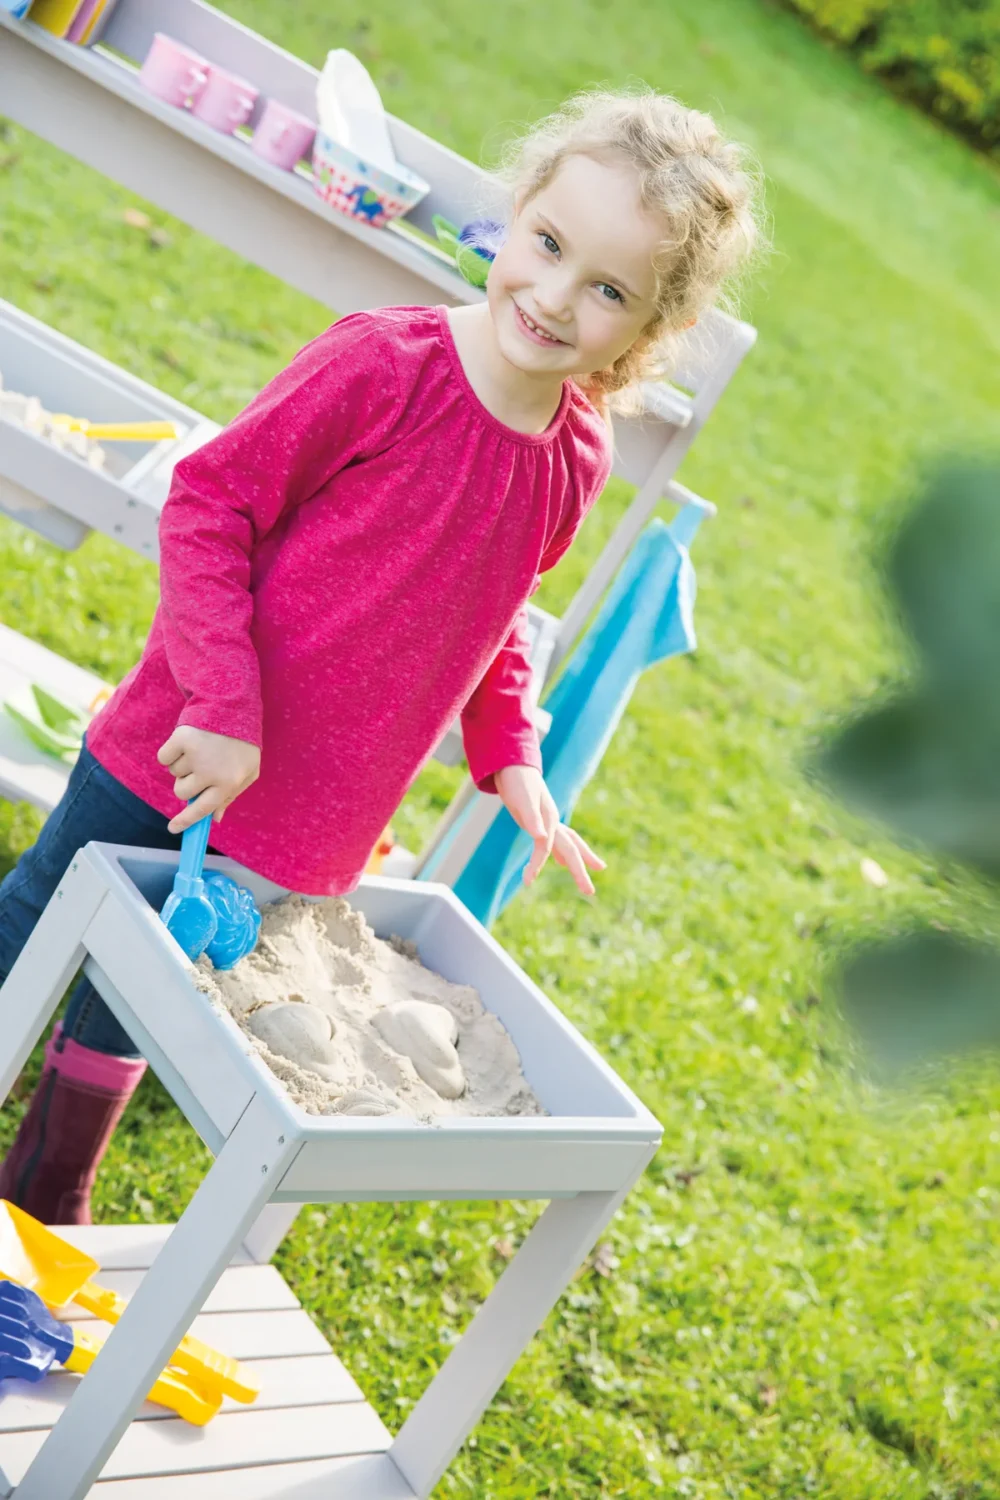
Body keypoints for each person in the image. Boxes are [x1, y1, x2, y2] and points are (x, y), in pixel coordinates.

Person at [0, 87, 762, 1223]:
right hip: (180, 749)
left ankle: (43, 1199)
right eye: (547, 245)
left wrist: (510, 755)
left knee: (142, 1000)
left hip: (312, 821)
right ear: (516, 215)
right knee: (38, 924)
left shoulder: (574, 458)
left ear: (647, 333)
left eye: (606, 290)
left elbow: (499, 613)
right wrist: (220, 701)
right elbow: (210, 504)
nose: (554, 297)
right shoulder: (384, 365)